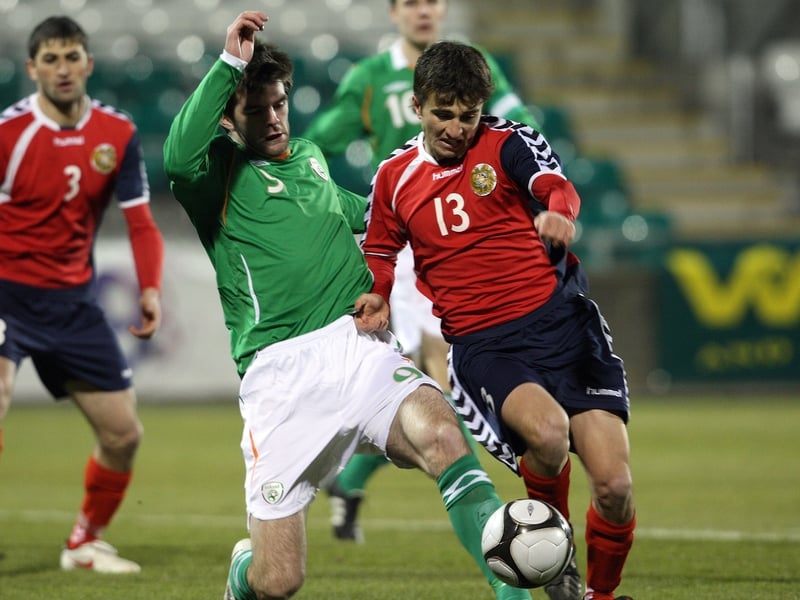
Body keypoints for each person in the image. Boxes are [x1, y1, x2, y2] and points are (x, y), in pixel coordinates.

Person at [162, 11, 530, 600]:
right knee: (279, 580)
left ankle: (511, 592)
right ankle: (242, 574)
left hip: (360, 349)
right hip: (281, 378)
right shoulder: (216, 180)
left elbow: (370, 213)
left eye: (279, 103)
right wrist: (230, 63)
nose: (274, 118)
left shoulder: (309, 158)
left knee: (442, 436)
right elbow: (177, 157)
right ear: (229, 121)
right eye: (256, 110)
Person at [361, 41, 637, 600]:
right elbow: (379, 250)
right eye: (443, 113)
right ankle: (557, 564)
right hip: (487, 345)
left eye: (467, 115)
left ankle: (598, 597)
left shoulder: (507, 141)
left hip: (564, 325)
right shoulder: (394, 177)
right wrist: (379, 295)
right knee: (550, 434)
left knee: (614, 486)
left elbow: (551, 184)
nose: (457, 128)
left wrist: (559, 211)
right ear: (418, 105)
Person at [304, 0, 541, 550]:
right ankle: (502, 531)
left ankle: (351, 480)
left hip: (466, 238)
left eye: (433, 0)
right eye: (411, 2)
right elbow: (316, 146)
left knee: (436, 388)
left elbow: (521, 128)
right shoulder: (369, 78)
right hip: (408, 242)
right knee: (449, 376)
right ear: (394, 13)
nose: (424, 10)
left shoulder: (476, 67)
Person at [0, 16, 164, 574]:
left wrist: (149, 289)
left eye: (72, 57)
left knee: (123, 434)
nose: (63, 69)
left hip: (73, 303)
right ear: (32, 69)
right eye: (51, 59)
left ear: (89, 63)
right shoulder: (8, 133)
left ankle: (83, 544)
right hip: (6, 296)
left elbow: (140, 220)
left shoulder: (116, 133)